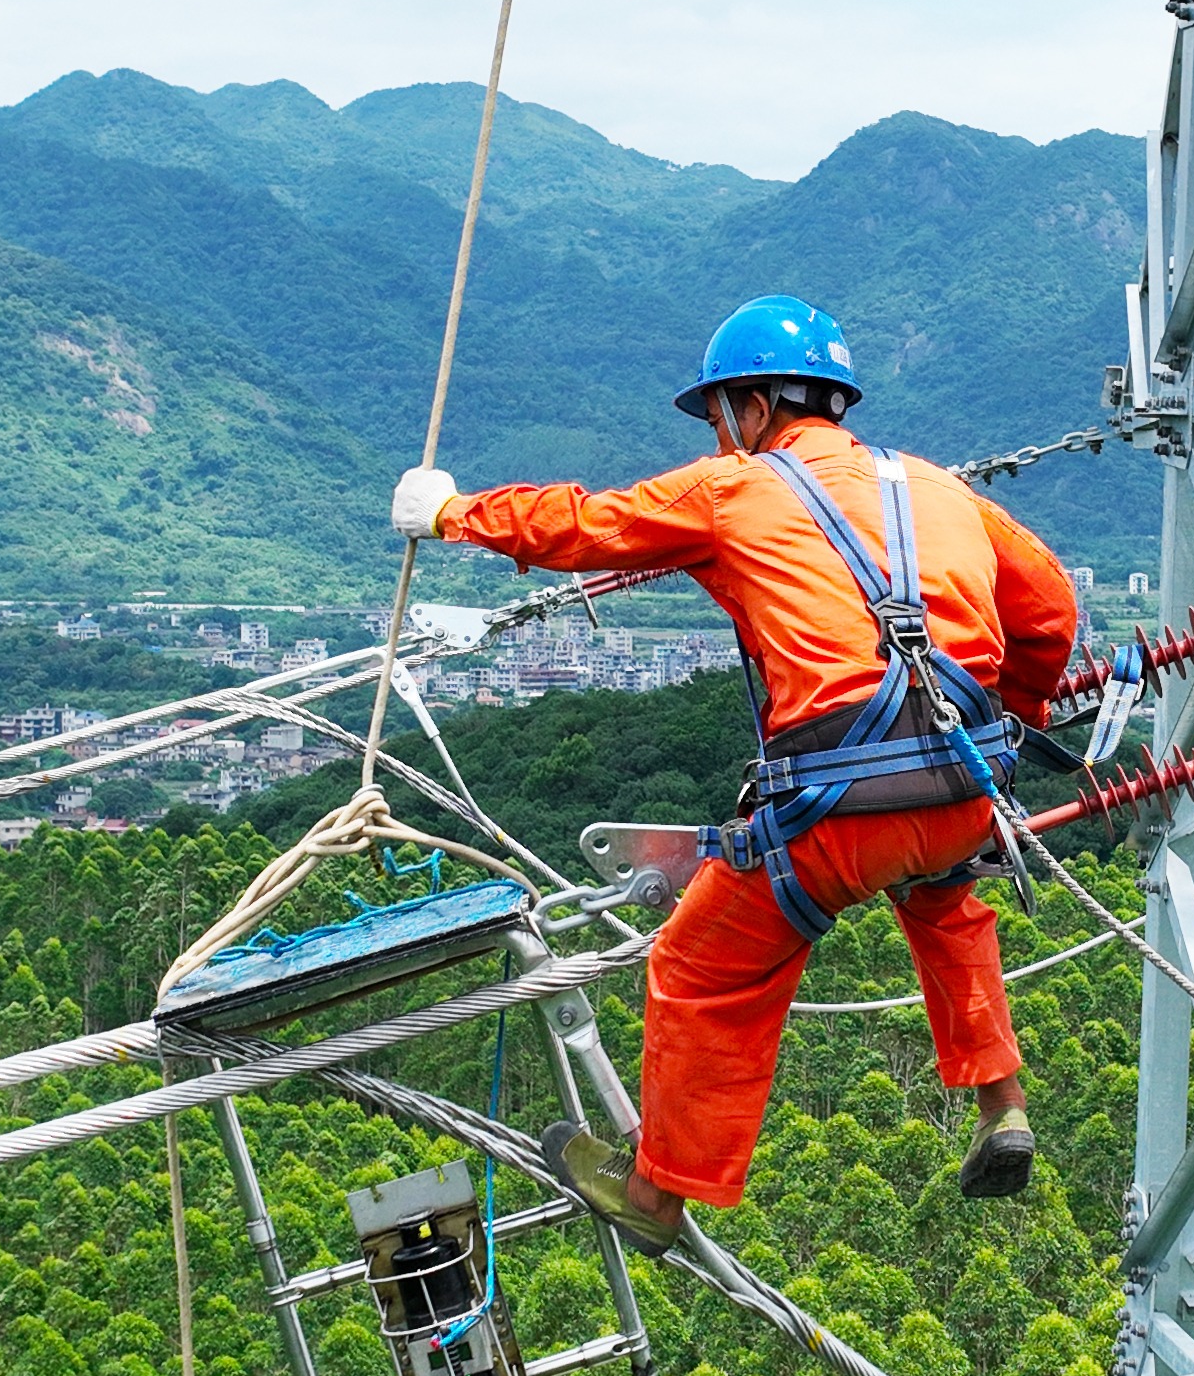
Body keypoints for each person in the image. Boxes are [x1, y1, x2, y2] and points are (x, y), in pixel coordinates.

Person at [390, 293, 1081, 1251]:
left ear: (754, 407)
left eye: (721, 417)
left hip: (837, 812)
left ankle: (656, 1192)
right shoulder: (938, 486)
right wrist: (1016, 715)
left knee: (700, 965)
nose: (720, 438)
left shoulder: (734, 488)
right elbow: (1049, 605)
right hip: (964, 791)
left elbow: (584, 526)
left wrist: (453, 512)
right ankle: (1001, 1104)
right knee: (941, 890)